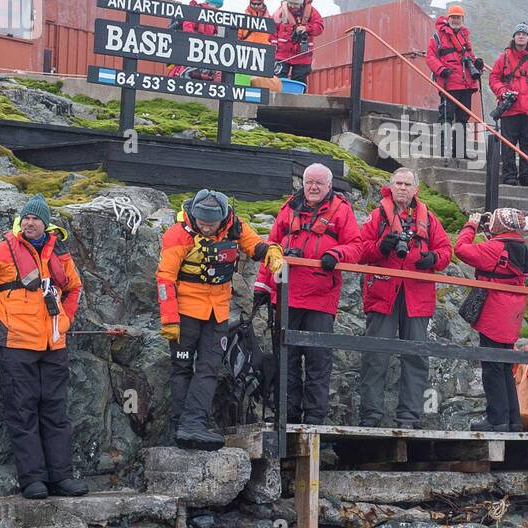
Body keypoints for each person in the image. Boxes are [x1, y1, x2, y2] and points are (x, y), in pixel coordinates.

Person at [0, 194, 88, 500]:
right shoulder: (2, 251)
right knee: (22, 411)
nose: (29, 222)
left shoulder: (60, 254)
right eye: (25, 218)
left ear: (46, 223)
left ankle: (62, 478)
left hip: (54, 344)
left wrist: (65, 319)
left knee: (56, 412)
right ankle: (33, 481)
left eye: (35, 218)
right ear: (20, 222)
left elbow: (74, 288)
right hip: (15, 345)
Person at [157, 189, 282, 451]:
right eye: (202, 223)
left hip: (217, 313)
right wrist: (169, 318)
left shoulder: (233, 226)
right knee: (181, 368)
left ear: (222, 219)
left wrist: (270, 251)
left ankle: (193, 424)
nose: (206, 228)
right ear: (194, 216)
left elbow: (254, 245)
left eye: (211, 224)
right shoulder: (177, 235)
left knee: (209, 368)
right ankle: (184, 425)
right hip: (185, 312)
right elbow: (165, 279)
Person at [332, 168, 452, 427]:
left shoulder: (429, 219)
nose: (402, 188)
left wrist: (432, 258)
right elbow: (360, 249)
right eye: (398, 183)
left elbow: (445, 250)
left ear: (415, 189)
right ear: (391, 186)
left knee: (416, 357)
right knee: (375, 356)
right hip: (383, 294)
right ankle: (371, 416)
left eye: (408, 184)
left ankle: (409, 417)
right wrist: (380, 247)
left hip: (416, 296)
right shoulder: (378, 217)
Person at [253, 163, 361, 423]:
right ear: (302, 183)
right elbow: (272, 248)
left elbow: (357, 246)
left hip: (321, 299)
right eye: (308, 182)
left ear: (329, 186)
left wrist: (335, 254)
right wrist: (262, 286)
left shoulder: (341, 211)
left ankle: (314, 420)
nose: (312, 187)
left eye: (318, 183)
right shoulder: (288, 208)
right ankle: (287, 416)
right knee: (285, 360)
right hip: (287, 295)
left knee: (318, 361)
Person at [453, 207, 528, 431]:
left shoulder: (494, 248)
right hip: (513, 312)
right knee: (505, 365)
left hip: (494, 310)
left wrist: (471, 225)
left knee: (492, 366)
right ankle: (512, 419)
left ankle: (497, 419)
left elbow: (461, 249)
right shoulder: (524, 251)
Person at [488, 23, 528, 187]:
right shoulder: (504, 57)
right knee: (508, 144)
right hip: (510, 109)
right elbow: (493, 78)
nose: (521, 36)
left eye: (524, 34)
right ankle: (509, 176)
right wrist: (502, 92)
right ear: (514, 37)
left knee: (527, 144)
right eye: (518, 33)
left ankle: (526, 176)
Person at [425, 4, 485, 160]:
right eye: (453, 17)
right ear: (448, 18)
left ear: (462, 19)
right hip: (449, 85)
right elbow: (430, 57)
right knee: (446, 116)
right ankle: (441, 151)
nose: (456, 20)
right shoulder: (437, 37)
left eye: (458, 17)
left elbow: (470, 57)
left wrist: (477, 64)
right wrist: (441, 70)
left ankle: (459, 152)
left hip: (466, 85)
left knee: (463, 119)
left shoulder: (465, 37)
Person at [271, 0, 325, 87]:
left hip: (302, 55)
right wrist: (274, 46)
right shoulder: (280, 12)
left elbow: (320, 27)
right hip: (282, 54)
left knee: (299, 83)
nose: (292, 6)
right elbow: (272, 29)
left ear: (301, 3)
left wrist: (306, 28)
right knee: (277, 82)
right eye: (290, 3)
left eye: (295, 4)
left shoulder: (311, 11)